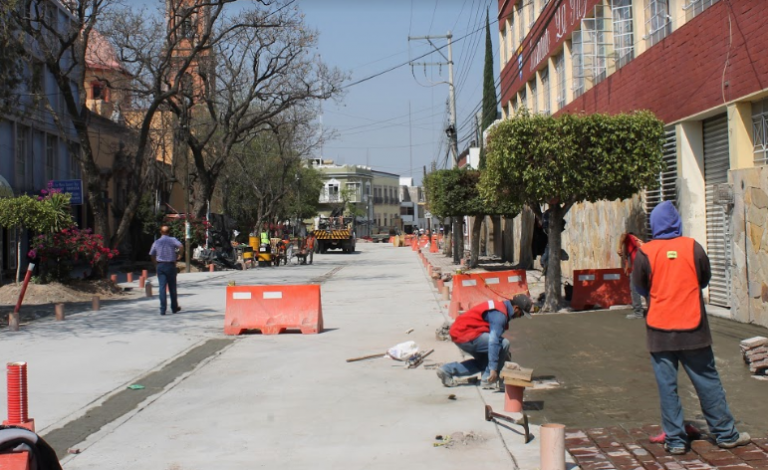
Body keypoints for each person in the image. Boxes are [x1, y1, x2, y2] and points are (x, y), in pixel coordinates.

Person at [632, 201, 750, 455]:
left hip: (659, 333)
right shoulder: (693, 247)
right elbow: (704, 278)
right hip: (694, 329)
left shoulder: (645, 253)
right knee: (707, 382)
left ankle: (675, 440)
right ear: (677, 223)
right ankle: (726, 433)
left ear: (654, 226)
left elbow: (640, 286)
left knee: (668, 387)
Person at [437, 294, 533, 389]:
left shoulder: (501, 306)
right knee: (503, 344)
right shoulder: (500, 315)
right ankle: (489, 379)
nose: (520, 316)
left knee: (483, 363)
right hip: (465, 333)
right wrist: (493, 369)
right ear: (516, 308)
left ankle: (447, 370)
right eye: (522, 313)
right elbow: (493, 341)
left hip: (460, 331)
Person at [149, 225, 183, 316]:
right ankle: (174, 307)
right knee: (172, 287)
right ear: (169, 232)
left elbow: (152, 254)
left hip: (161, 265)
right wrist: (180, 255)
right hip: (171, 265)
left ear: (161, 232)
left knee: (162, 288)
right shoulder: (172, 240)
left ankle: (163, 309)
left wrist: (156, 264)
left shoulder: (156, 242)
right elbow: (181, 246)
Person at [618, 231, 645, 319]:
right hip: (642, 266)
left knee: (634, 289)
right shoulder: (636, 243)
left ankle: (638, 312)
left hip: (636, 267)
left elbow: (624, 235)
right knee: (646, 289)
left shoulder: (629, 238)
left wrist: (619, 248)